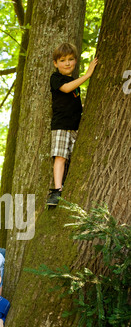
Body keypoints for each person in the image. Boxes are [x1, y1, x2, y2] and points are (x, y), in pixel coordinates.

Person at [47, 42, 98, 206]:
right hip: (61, 125)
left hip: (75, 127)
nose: (67, 63)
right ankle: (57, 190)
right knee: (60, 156)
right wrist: (88, 74)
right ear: (56, 63)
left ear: (75, 60)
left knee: (73, 158)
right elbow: (66, 89)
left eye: (70, 59)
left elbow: (75, 104)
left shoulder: (75, 83)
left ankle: (69, 184)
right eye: (62, 60)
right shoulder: (56, 78)